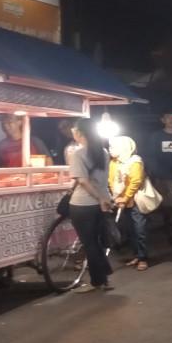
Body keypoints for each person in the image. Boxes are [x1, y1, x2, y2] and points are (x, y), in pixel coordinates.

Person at [69, 118, 114, 293]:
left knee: (90, 244)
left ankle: (97, 281)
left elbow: (83, 181)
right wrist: (102, 198)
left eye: (74, 131)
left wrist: (98, 198)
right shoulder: (103, 152)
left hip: (83, 204)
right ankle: (104, 277)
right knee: (96, 242)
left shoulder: (78, 153)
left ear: (79, 133)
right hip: (100, 203)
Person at [145, 112, 172, 249]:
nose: (171, 120)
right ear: (162, 120)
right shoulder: (156, 136)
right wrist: (155, 174)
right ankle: (169, 234)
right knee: (167, 209)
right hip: (163, 179)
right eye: (168, 117)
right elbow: (150, 157)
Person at [108, 136, 149, 271]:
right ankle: (136, 255)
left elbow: (136, 182)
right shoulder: (114, 162)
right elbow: (111, 181)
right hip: (120, 200)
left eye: (113, 147)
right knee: (130, 230)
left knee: (139, 229)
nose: (110, 150)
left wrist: (125, 198)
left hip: (135, 201)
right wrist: (117, 197)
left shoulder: (135, 161)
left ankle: (143, 258)